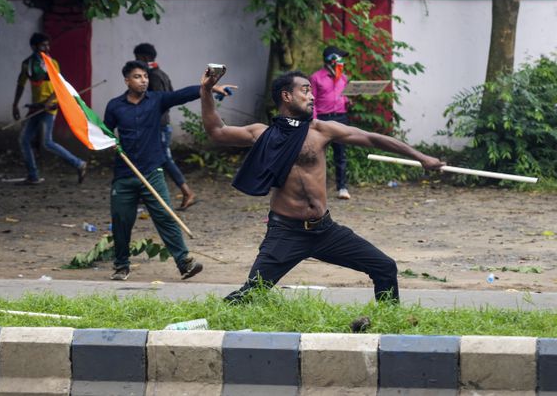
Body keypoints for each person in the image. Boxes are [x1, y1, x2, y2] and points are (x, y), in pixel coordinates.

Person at [200, 66, 444, 303]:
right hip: (286, 232)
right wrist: (206, 91)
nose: (312, 96)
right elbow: (217, 131)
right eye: (305, 91)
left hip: (325, 230)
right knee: (251, 293)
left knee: (385, 267)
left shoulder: (321, 131)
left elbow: (371, 138)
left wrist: (420, 157)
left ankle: (389, 324)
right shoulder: (262, 133)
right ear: (286, 96)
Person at [103, 60, 233, 281]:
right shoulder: (115, 106)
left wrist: (207, 88)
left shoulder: (156, 100)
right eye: (137, 77)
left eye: (145, 76)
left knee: (166, 216)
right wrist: (110, 141)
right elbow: (105, 131)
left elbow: (181, 95)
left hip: (152, 172)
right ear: (127, 80)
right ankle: (121, 266)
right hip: (125, 174)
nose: (143, 80)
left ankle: (184, 263)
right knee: (121, 221)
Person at [12, 32, 87, 184]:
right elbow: (20, 84)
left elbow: (59, 86)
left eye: (47, 45)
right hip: (36, 107)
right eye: (42, 45)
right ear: (34, 47)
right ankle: (33, 176)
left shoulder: (52, 63)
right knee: (24, 140)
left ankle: (79, 163)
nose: (46, 48)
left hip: (49, 108)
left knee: (47, 142)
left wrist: (49, 101)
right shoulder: (27, 64)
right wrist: (15, 104)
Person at [133, 43, 196, 210]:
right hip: (159, 124)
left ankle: (187, 192)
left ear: (145, 58)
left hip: (158, 125)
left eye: (138, 58)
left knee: (164, 159)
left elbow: (160, 100)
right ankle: (146, 193)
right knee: (150, 158)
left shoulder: (152, 77)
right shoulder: (161, 74)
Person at [309, 45, 352, 200]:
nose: (341, 61)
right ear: (332, 59)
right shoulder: (315, 77)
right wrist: (313, 121)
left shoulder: (343, 77)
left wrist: (348, 101)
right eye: (339, 58)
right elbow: (311, 100)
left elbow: (344, 96)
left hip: (340, 117)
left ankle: (342, 187)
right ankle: (316, 189)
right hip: (323, 118)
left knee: (341, 154)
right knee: (318, 154)